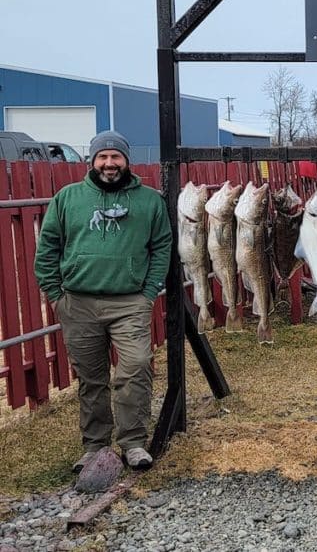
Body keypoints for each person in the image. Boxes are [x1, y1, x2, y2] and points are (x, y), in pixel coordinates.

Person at [34, 131, 172, 471]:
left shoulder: (149, 201)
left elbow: (162, 247)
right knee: (92, 378)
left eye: (116, 157)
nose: (109, 164)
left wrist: (148, 293)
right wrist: (56, 294)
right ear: (92, 161)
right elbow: (48, 246)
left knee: (136, 366)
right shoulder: (68, 198)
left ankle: (133, 443)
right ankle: (95, 445)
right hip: (78, 303)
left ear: (126, 161)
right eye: (103, 157)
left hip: (130, 303)